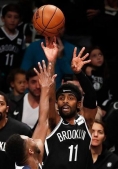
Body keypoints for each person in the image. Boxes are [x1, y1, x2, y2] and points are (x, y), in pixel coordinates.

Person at [42, 40, 97, 169]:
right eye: (61, 98)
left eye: (70, 98)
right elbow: (49, 97)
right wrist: (52, 61)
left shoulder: (86, 122)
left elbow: (91, 96)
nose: (65, 100)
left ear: (78, 104)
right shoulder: (54, 122)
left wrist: (79, 73)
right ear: (57, 104)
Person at [5, 59, 56, 169]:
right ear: (30, 151)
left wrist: (45, 88)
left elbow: (43, 122)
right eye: (30, 140)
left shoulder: (34, 158)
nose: (33, 138)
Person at [0, 3, 26, 92]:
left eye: (15, 17)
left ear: (19, 20)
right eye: (9, 16)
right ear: (3, 18)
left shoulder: (21, 37)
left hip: (13, 77)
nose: (12, 20)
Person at [83, 46, 110, 110]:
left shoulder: (106, 74)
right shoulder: (83, 73)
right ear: (88, 59)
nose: (99, 58)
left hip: (103, 107)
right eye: (94, 56)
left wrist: (103, 108)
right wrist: (89, 76)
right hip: (87, 107)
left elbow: (109, 95)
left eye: (100, 54)